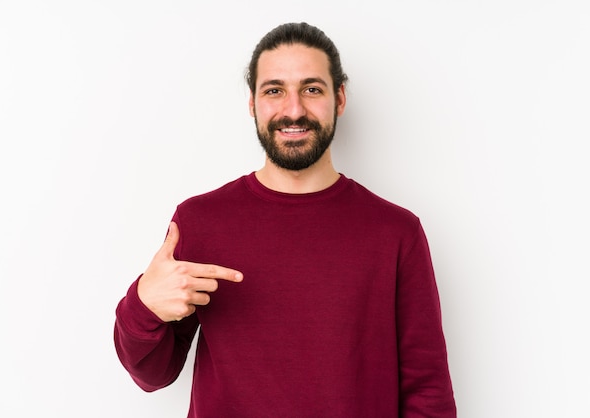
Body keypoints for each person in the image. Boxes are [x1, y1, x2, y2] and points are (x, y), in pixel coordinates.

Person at [114, 22, 456, 417]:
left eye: (312, 89)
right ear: (252, 103)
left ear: (340, 98)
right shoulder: (199, 221)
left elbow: (428, 392)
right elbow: (152, 374)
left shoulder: (397, 232)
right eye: (274, 90)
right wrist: (143, 305)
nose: (294, 109)